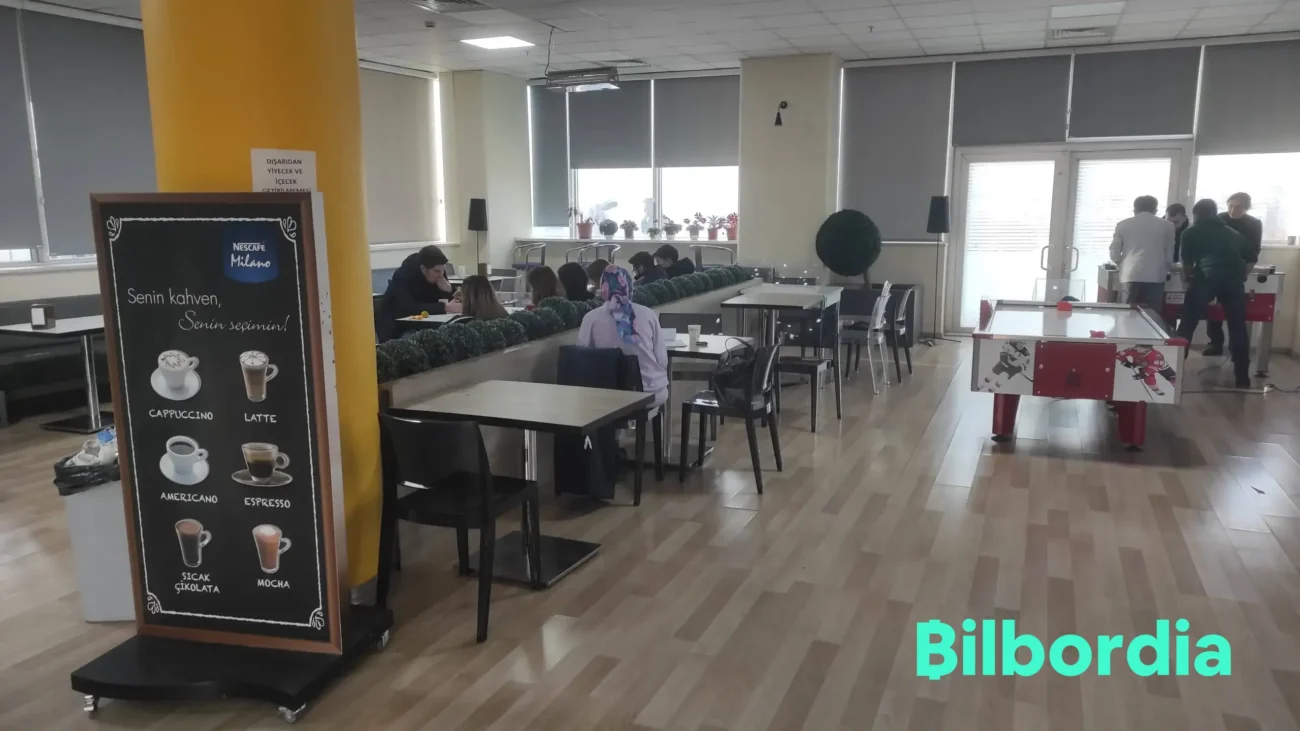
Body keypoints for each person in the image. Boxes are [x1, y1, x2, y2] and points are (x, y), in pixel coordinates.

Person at [1176, 198, 1252, 388]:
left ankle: (1173, 374)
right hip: (1233, 282)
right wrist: (1242, 276)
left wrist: (1188, 280)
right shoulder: (1233, 233)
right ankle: (1242, 377)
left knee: (1187, 324)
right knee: (1238, 327)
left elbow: (1187, 265)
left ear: (1196, 215)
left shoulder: (1190, 232)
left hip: (1205, 279)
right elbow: (1251, 258)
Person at [577, 266, 669, 407]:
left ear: (603, 289)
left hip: (609, 394)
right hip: (651, 393)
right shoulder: (648, 314)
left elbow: (582, 357)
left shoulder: (591, 318)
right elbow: (662, 360)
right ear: (630, 287)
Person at [1204, 192, 1263, 356]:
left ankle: (1235, 348)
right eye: (1230, 206)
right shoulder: (1219, 219)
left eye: (1238, 207)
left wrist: (1245, 270)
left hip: (1239, 268)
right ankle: (1215, 343)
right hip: (1216, 267)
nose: (1233, 210)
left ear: (1247, 208)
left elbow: (1254, 249)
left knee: (1235, 312)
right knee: (1213, 311)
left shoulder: (1254, 223)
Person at [376, 245, 461, 342]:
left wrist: (450, 290)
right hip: (397, 327)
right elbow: (408, 308)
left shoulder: (438, 272)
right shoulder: (403, 276)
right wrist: (444, 307)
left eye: (443, 270)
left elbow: (447, 302)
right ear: (423, 269)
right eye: (437, 271)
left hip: (427, 323)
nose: (441, 275)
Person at [1109, 195, 1176, 312]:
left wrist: (1122, 264)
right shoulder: (1168, 226)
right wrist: (1166, 268)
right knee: (1152, 316)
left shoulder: (1122, 224)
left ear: (1135, 210)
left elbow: (1114, 251)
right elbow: (1169, 254)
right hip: (1156, 276)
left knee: (1125, 314)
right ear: (1155, 210)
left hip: (1130, 275)